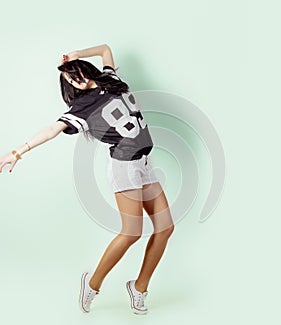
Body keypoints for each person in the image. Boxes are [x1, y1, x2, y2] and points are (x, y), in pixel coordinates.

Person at [0, 44, 174, 315]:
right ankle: (92, 285)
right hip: (124, 166)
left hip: (145, 163)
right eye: (68, 78)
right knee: (132, 233)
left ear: (83, 67)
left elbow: (105, 49)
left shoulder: (112, 81)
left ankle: (139, 288)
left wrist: (76, 55)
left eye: (73, 72)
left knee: (165, 228)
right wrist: (17, 152)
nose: (73, 77)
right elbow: (51, 130)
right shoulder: (81, 107)